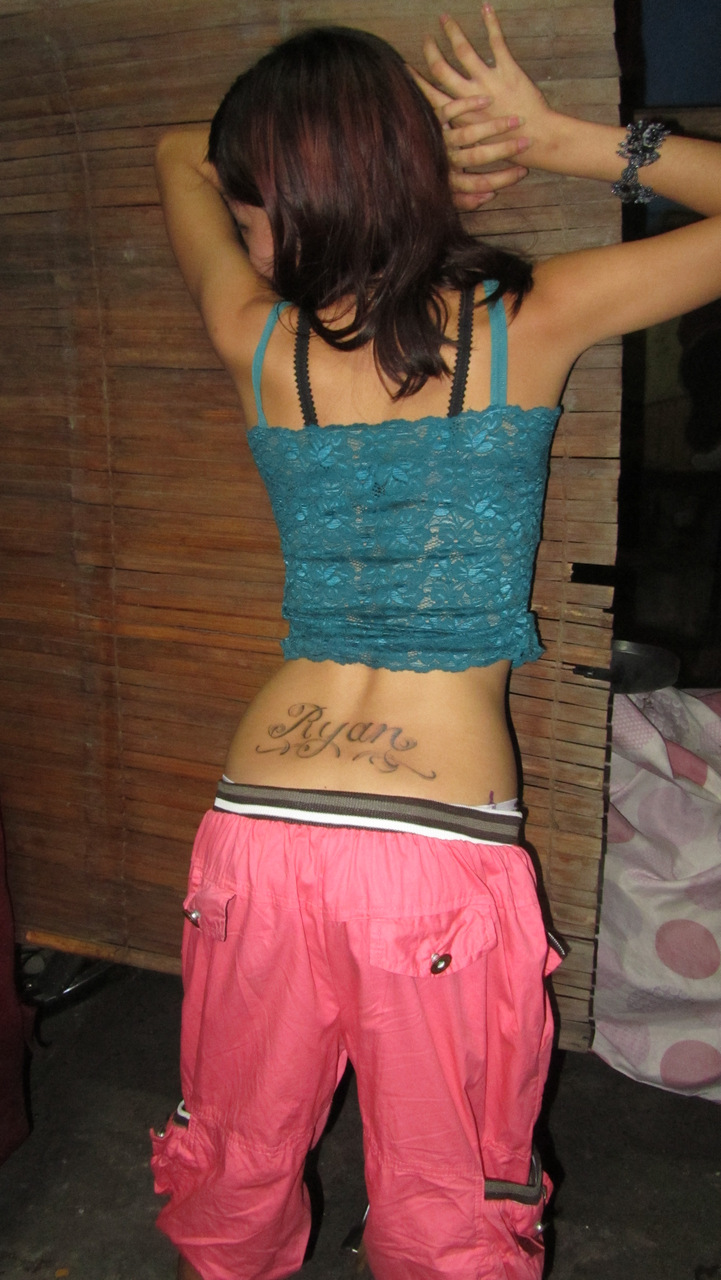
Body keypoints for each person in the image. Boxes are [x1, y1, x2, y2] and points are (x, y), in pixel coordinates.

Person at [150, 7, 721, 1279]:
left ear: (301, 197)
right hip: (432, 845)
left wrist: (352, 149)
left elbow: (176, 150)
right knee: (449, 1200)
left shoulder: (258, 338)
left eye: (256, 209)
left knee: (233, 1168)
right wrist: (560, 142)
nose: (250, 236)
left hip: (260, 828)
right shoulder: (530, 320)